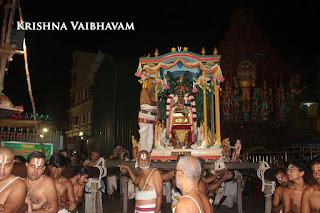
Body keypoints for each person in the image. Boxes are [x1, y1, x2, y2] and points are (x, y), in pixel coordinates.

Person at [0, 147, 27, 213]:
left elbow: (7, 211)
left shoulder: (18, 185)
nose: (2, 170)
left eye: (7, 165)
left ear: (13, 163)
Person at [139, 77, 157, 153]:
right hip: (145, 116)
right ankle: (142, 156)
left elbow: (155, 105)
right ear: (148, 83)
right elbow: (149, 103)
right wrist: (156, 103)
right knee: (144, 139)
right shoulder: (144, 90)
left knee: (150, 139)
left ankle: (148, 155)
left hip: (152, 117)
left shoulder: (153, 93)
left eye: (154, 84)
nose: (153, 85)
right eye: (151, 83)